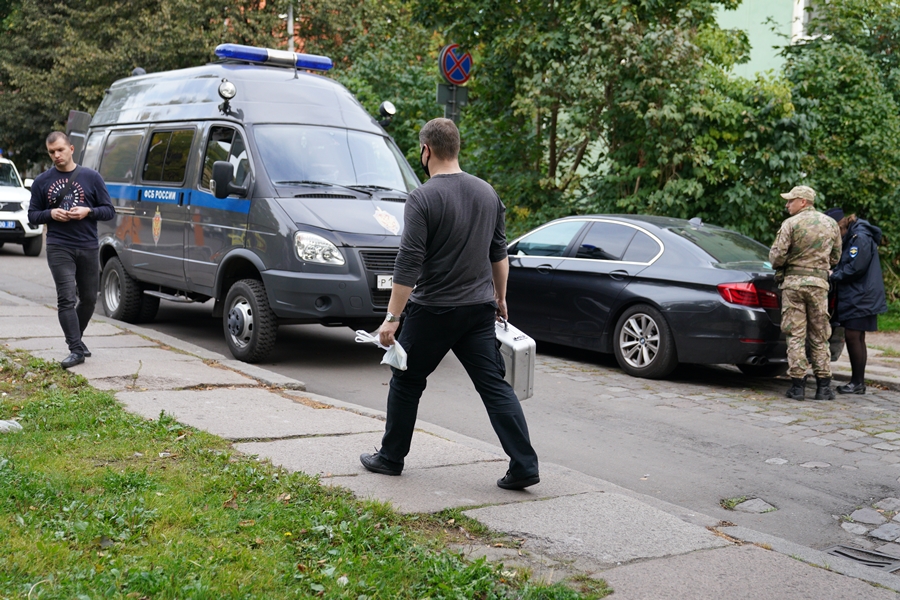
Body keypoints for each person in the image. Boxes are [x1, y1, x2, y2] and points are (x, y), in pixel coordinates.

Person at [359, 118, 540, 490]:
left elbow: (408, 263)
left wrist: (392, 317)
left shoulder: (423, 197)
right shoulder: (487, 193)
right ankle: (524, 465)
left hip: (433, 310)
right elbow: (499, 254)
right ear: (456, 148)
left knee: (406, 381)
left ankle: (390, 458)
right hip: (479, 310)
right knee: (494, 386)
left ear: (426, 150)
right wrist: (500, 298)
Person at [28, 132, 116, 369]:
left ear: (71, 148)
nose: (56, 155)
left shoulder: (92, 177)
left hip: (87, 245)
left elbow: (109, 210)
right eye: (51, 152)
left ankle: (76, 337)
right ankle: (76, 349)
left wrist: (88, 211)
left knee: (89, 299)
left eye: (60, 150)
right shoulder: (42, 181)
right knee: (66, 298)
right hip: (59, 246)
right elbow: (33, 215)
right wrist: (50, 213)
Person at [769, 185, 842, 400]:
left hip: (793, 284)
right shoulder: (831, 224)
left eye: (790, 201)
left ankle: (798, 386)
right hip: (819, 285)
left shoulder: (791, 224)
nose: (787, 205)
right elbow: (836, 257)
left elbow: (776, 257)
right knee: (820, 335)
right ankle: (823, 387)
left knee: (795, 334)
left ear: (803, 202)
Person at [824, 207, 888, 395]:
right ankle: (857, 382)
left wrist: (833, 275)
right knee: (857, 337)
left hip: (861, 296)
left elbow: (855, 268)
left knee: (853, 336)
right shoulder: (854, 235)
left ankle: (857, 382)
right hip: (859, 294)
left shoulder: (859, 237)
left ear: (838, 227)